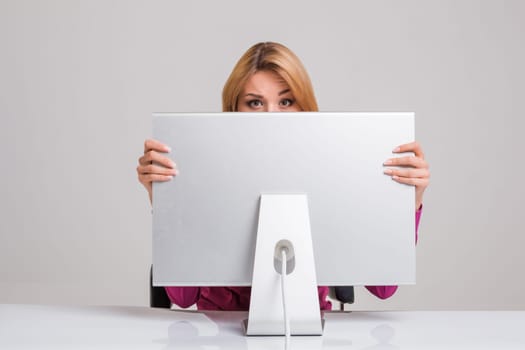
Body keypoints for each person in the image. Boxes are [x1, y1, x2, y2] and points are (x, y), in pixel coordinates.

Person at [137, 42, 430, 311]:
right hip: (218, 332)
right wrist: (162, 198)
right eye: (255, 103)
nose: (271, 116)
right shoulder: (203, 172)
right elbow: (183, 298)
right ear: (234, 109)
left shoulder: (335, 169)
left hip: (308, 331)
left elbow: (384, 287)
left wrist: (409, 202)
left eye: (286, 102)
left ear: (304, 106)